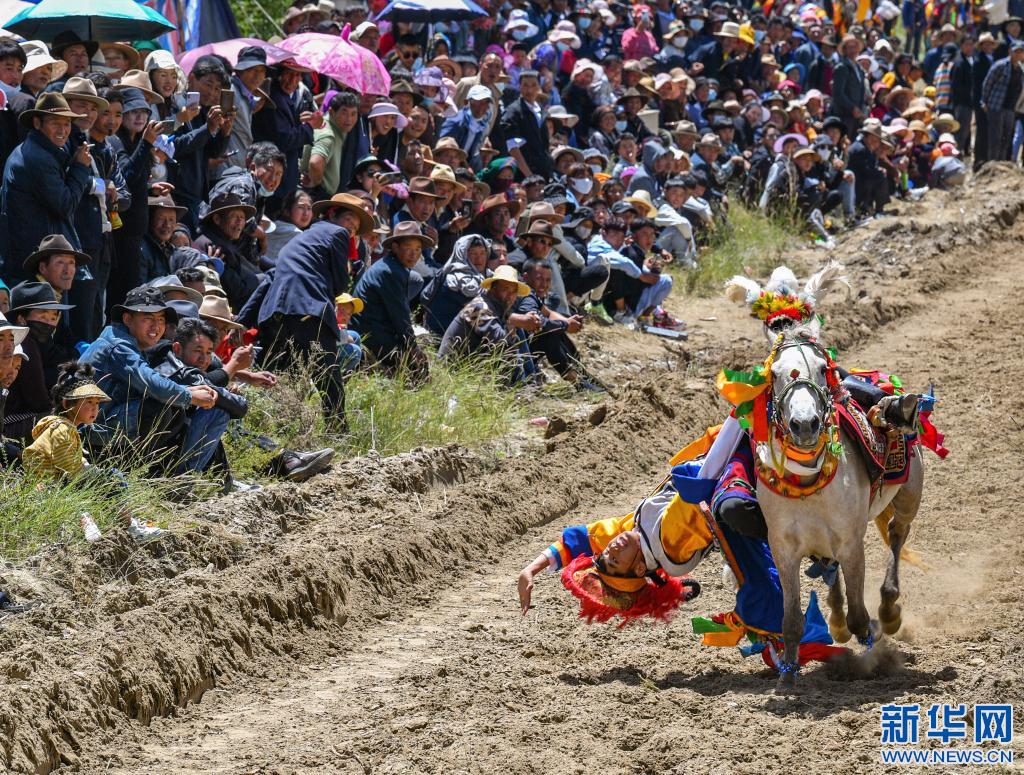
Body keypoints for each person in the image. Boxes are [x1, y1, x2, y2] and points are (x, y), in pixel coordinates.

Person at [258, 193, 373, 427]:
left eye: (355, 227)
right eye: (349, 220)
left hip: (276, 311)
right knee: (329, 377)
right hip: (308, 308)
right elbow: (340, 286)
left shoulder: (303, 238)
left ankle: (284, 428)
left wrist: (244, 320)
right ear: (333, 215)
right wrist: (346, 268)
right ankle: (338, 432)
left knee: (287, 375)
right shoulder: (337, 233)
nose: (350, 229)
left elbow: (270, 278)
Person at [79, 286, 219, 467]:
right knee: (159, 406)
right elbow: (151, 384)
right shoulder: (118, 346)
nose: (156, 326)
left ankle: (142, 469)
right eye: (148, 318)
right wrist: (189, 395)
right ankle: (118, 466)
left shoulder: (127, 341)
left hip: (100, 421)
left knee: (172, 404)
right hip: (86, 430)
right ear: (127, 319)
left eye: (161, 319)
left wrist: (187, 391)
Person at [0, 93, 92, 285]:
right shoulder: (37, 158)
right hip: (35, 262)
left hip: (37, 257)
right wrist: (81, 168)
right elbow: (65, 205)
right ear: (37, 123)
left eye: (67, 123)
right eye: (55, 123)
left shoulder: (40, 151)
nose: (63, 130)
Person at [350, 221, 433, 383]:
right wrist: (413, 348)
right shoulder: (390, 272)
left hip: (375, 328)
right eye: (408, 248)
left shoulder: (393, 267)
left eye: (418, 249)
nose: (414, 254)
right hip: (369, 333)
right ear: (395, 247)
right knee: (417, 367)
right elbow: (400, 316)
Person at [513, 258, 600, 390]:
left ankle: (582, 376)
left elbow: (548, 313)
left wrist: (569, 322)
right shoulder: (526, 296)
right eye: (539, 279)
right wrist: (565, 325)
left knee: (556, 328)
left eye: (548, 280)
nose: (544, 284)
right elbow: (537, 322)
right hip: (514, 355)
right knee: (549, 335)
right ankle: (577, 381)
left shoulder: (531, 292)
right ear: (526, 277)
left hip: (522, 350)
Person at [438, 264, 532, 365]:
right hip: (451, 368)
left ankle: (531, 374)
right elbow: (502, 344)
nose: (510, 296)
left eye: (514, 291)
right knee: (511, 359)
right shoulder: (479, 308)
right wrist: (513, 324)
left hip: (468, 364)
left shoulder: (496, 308)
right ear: (493, 289)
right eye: (505, 289)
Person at [140, 196, 187, 284]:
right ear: (149, 220)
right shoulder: (142, 249)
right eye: (161, 219)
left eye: (171, 220)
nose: (167, 225)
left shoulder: (170, 249)